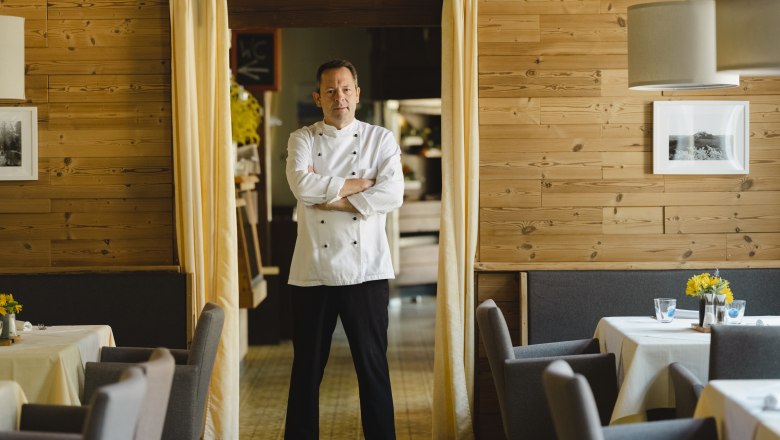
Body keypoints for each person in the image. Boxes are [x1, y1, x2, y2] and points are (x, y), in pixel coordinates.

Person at [284, 59, 404, 440]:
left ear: (358, 94)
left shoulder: (380, 138)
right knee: (305, 371)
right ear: (317, 97)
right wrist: (360, 184)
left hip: (366, 270)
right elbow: (303, 189)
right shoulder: (301, 138)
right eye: (331, 90)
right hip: (313, 272)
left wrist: (330, 194)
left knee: (372, 370)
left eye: (346, 88)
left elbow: (393, 193)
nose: (340, 97)